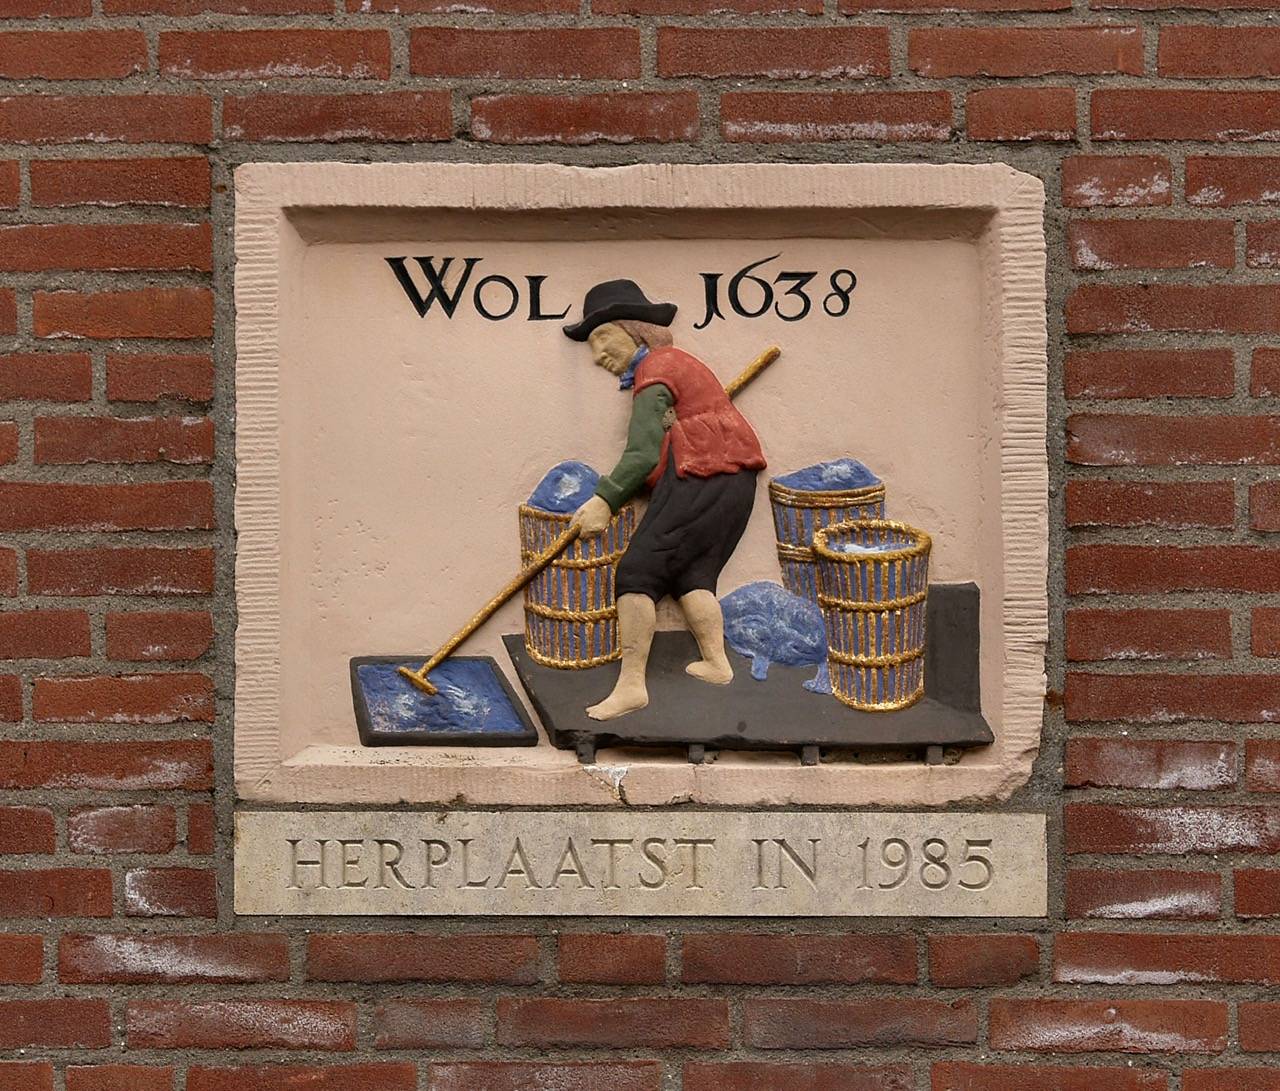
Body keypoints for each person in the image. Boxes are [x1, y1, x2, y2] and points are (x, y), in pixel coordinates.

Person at [563, 279, 766, 721]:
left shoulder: (657, 370)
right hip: (732, 480)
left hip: (703, 474)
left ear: (633, 329)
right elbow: (661, 448)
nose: (597, 356)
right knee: (691, 573)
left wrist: (604, 501)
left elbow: (641, 451)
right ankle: (716, 662)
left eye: (601, 339)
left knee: (638, 573)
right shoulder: (677, 366)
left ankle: (632, 686)